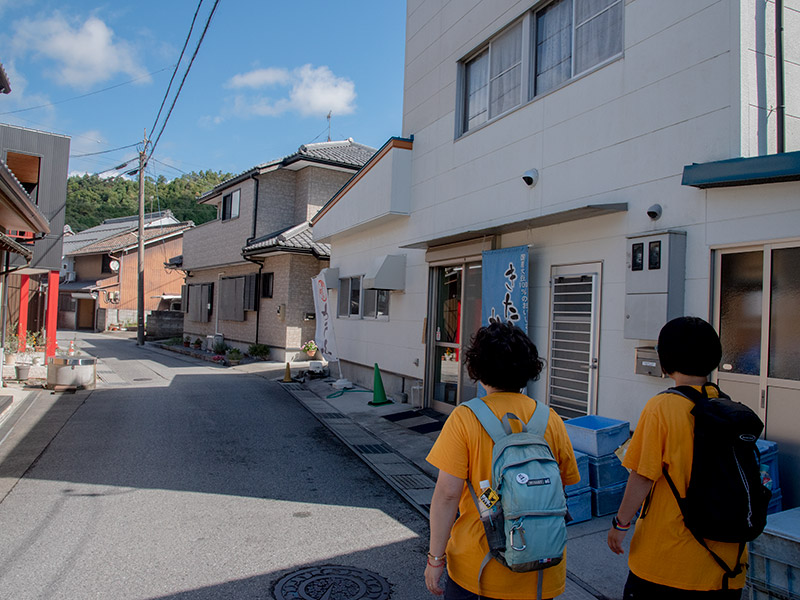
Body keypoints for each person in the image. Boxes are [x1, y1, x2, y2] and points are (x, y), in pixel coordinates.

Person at [425, 321, 580, 599]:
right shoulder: (550, 419)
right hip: (542, 571)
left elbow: (447, 495)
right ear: (528, 369)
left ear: (477, 369)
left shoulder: (465, 418)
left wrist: (435, 559)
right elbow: (563, 489)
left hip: (479, 571)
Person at [607, 316, 745, 598]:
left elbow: (643, 475)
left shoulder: (662, 407)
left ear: (665, 360)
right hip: (725, 566)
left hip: (666, 564)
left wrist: (621, 524)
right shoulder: (727, 406)